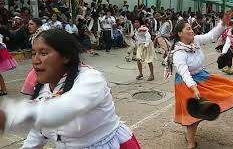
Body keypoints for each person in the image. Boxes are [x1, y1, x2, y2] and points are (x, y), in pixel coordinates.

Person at [0, 29, 141, 148]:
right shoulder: (43, 88)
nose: (36, 60)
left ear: (66, 56)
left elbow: (65, 108)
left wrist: (10, 115)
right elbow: (38, 133)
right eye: (33, 53)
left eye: (43, 53)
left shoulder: (91, 79)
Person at [166, 12, 233, 149]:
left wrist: (222, 24)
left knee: (227, 89)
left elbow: (211, 36)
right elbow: (184, 73)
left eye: (191, 28)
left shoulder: (195, 40)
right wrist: (193, 88)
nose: (191, 30)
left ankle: (190, 137)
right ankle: (190, 143)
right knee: (191, 115)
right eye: (188, 29)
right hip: (186, 84)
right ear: (180, 34)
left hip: (202, 77)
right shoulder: (178, 52)